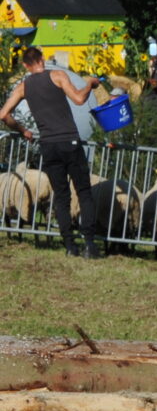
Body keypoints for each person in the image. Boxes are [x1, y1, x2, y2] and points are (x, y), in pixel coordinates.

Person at [0, 46, 106, 258]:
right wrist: (90, 85)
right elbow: (78, 99)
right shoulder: (57, 75)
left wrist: (23, 130)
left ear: (25, 65)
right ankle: (89, 244)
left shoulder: (23, 87)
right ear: (42, 59)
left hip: (48, 145)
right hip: (69, 141)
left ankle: (69, 246)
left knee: (61, 196)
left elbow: (4, 114)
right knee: (84, 192)